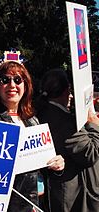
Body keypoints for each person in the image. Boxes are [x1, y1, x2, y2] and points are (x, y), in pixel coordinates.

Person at [0, 60, 64, 211]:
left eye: (18, 80)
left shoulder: (33, 120)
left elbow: (43, 167)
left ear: (25, 86)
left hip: (38, 203)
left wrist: (57, 166)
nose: (12, 85)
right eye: (5, 80)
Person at [36, 69, 99, 212]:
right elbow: (89, 153)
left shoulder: (49, 113)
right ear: (66, 90)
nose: (71, 95)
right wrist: (94, 124)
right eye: (69, 90)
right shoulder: (60, 120)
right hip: (74, 199)